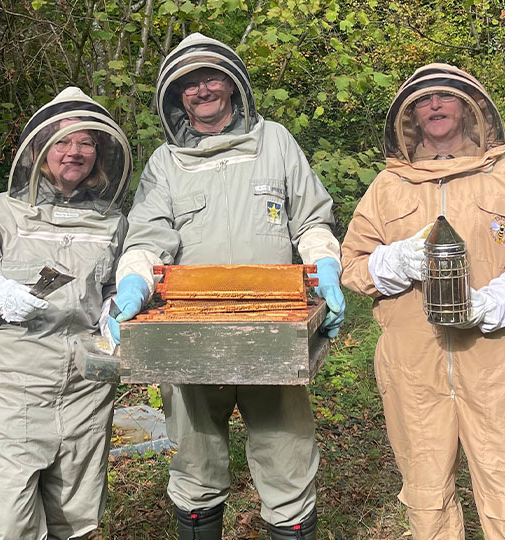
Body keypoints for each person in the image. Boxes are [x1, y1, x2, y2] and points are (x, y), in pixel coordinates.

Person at [107, 33, 344, 540]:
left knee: (287, 455)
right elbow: (148, 240)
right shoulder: (165, 164)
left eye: (211, 78)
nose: (202, 90)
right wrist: (133, 281)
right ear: (176, 97)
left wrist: (324, 263)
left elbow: (310, 222)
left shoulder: (276, 141)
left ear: (234, 86)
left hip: (273, 329)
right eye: (189, 84)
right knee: (194, 459)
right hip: (189, 333)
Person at [340, 64, 505, 540]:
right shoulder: (387, 187)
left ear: (469, 108)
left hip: (493, 357)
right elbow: (351, 267)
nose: (435, 106)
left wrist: (492, 302)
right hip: (411, 365)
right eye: (423, 101)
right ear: (411, 118)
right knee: (426, 489)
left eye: (444, 97)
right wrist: (395, 261)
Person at [0, 87, 132, 540]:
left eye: (85, 142)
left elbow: (115, 285)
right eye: (62, 141)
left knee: (76, 513)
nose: (74, 152)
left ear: (98, 155)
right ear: (40, 153)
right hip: (14, 384)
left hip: (86, 383)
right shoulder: (2, 212)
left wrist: (118, 308)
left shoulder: (112, 222)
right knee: (8, 520)